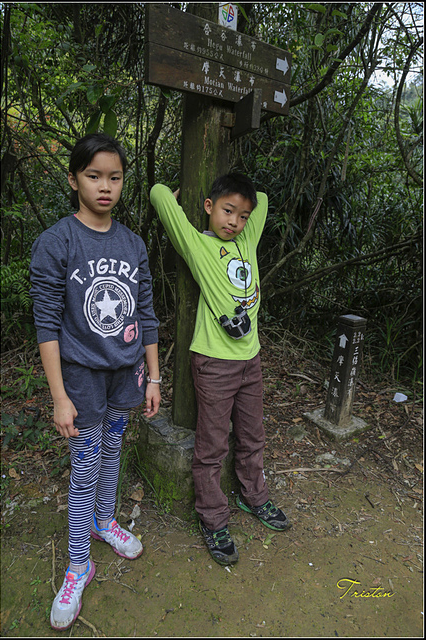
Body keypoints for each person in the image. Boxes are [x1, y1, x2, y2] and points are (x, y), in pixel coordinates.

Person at [30, 133, 161, 630]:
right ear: (73, 179)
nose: (105, 186)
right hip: (81, 377)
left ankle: (105, 522)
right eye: (94, 176)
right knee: (84, 465)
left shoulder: (133, 244)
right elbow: (46, 324)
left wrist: (153, 376)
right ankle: (77, 565)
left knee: (113, 448)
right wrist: (59, 397)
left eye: (115, 177)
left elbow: (145, 313)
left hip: (126, 374)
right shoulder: (57, 241)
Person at [150, 173, 291, 567]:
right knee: (212, 445)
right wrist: (176, 194)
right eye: (228, 211)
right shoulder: (197, 244)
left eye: (242, 216)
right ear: (209, 207)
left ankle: (254, 496)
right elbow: (158, 194)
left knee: (253, 434)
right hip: (214, 362)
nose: (235, 222)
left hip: (251, 358)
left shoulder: (247, 240)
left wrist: (243, 205)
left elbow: (261, 197)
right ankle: (213, 518)